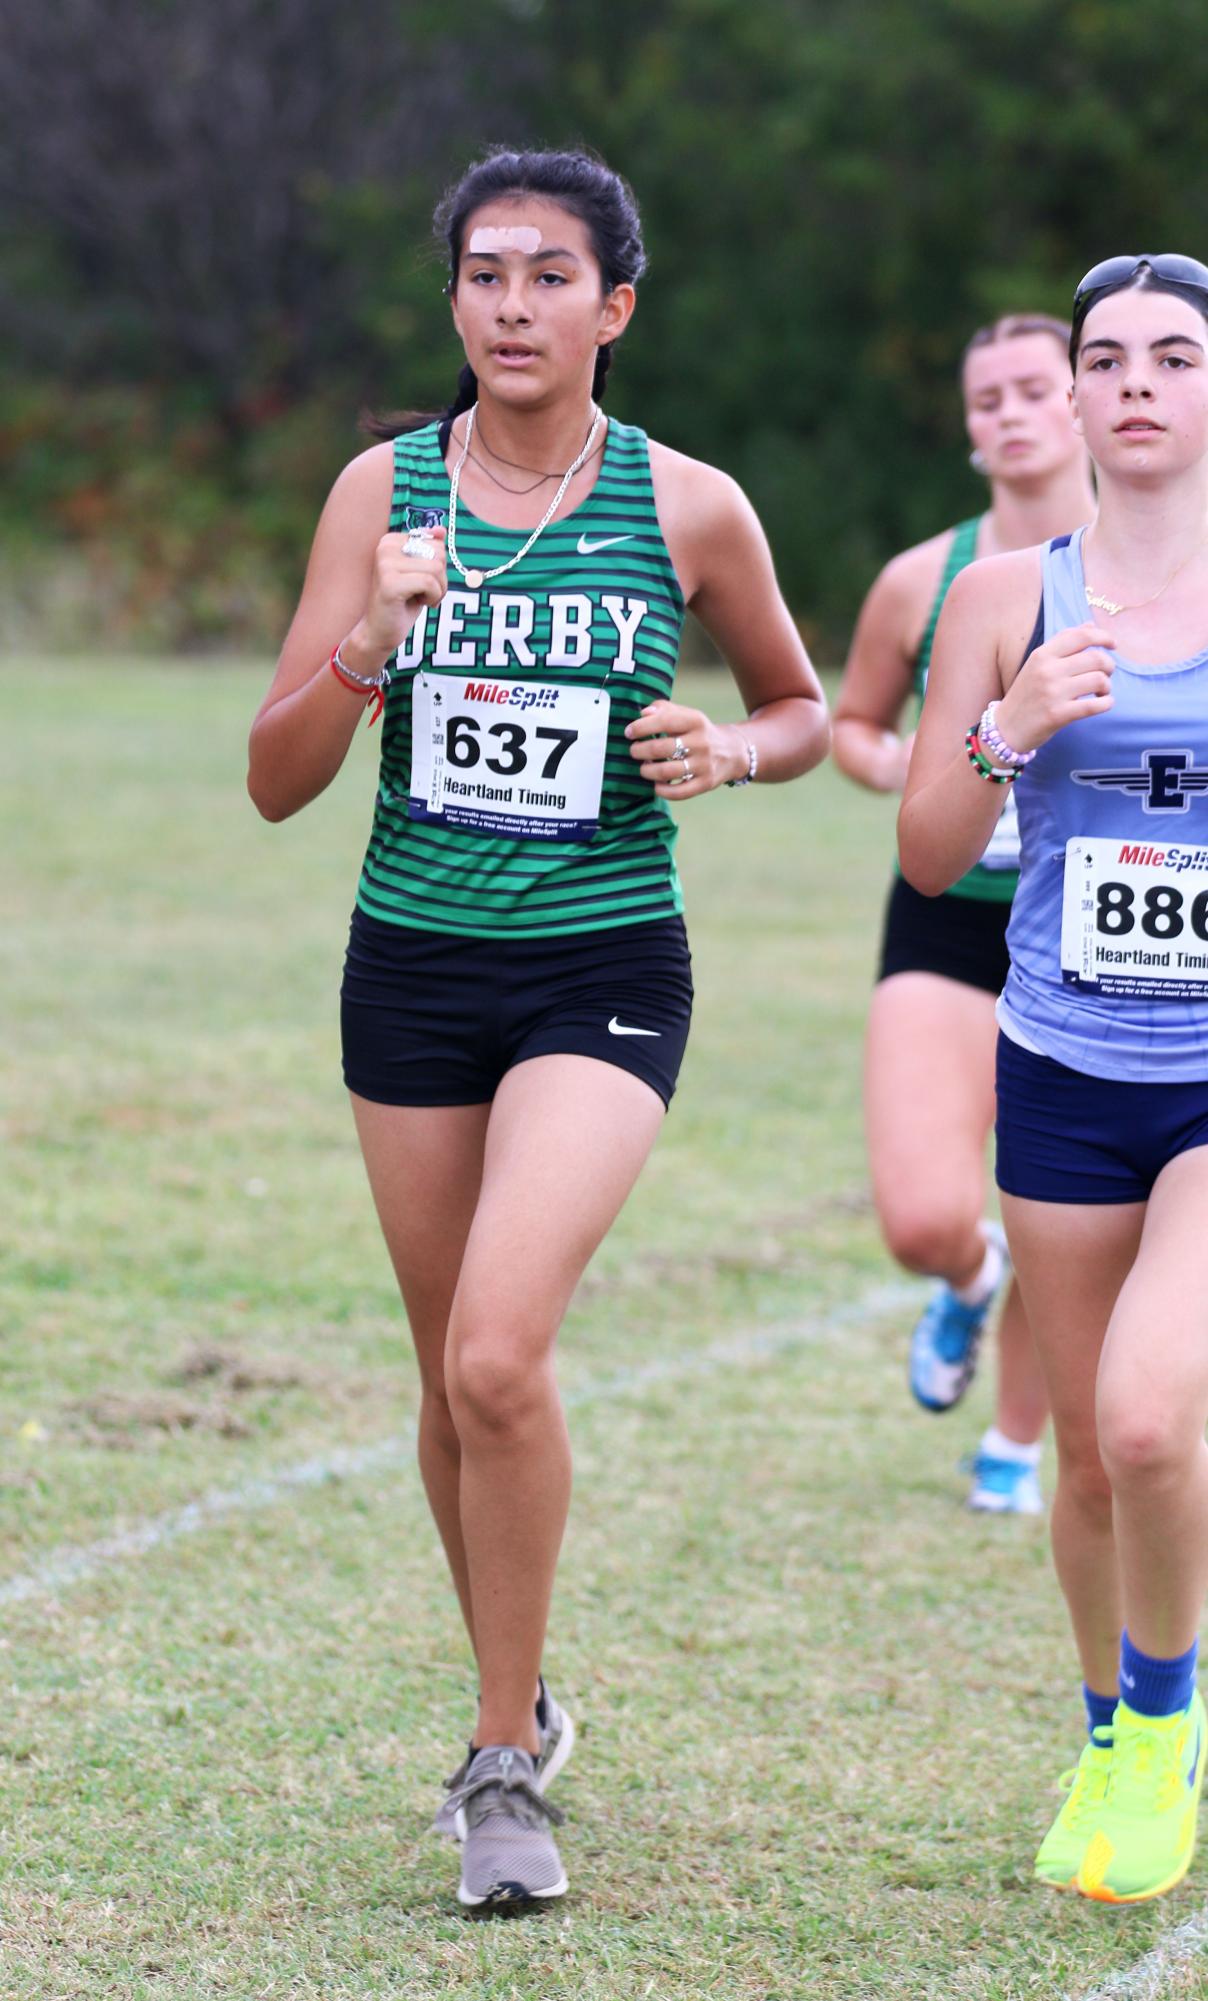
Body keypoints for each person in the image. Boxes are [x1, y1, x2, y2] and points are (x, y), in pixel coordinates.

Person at [246, 146, 829, 1908]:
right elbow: (276, 777)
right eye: (483, 275)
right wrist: (369, 633)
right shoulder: (383, 490)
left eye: (548, 276)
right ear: (454, 304)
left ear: (614, 306)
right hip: (409, 967)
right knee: (451, 1376)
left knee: (498, 1352)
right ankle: (521, 1691)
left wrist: (724, 748)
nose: (511, 305)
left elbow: (798, 708)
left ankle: (502, 1762)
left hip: (600, 967)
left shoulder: (690, 506)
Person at [900, 253, 1208, 1903]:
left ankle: (1162, 1732)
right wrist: (1008, 725)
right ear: (1072, 395)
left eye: (1174, 355)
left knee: (1151, 1421)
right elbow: (932, 845)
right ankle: (1106, 1732)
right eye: (1109, 358)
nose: (1138, 382)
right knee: (1085, 1456)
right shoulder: (1002, 597)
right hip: (1062, 1063)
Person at [833, 315, 1093, 1512]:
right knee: (922, 1213)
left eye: (1032, 389)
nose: (1008, 413)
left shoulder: (1156, 572)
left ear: (1084, 402)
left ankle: (1013, 1443)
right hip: (948, 916)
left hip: (1097, 925)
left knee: (1069, 1206)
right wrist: (914, 771)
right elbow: (850, 724)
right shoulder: (921, 581)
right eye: (984, 397)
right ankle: (963, 1275)